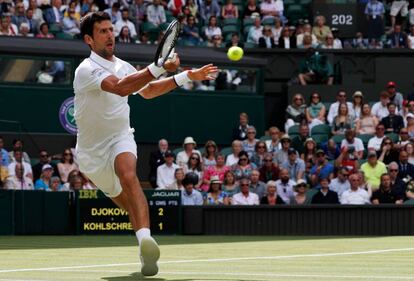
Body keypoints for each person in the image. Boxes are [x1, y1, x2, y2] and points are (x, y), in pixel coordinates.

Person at [74, 11, 217, 277]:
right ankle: (144, 246)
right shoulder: (85, 69)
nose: (109, 35)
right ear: (89, 40)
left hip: (120, 137)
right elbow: (119, 88)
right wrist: (158, 67)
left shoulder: (123, 65)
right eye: (102, 32)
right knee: (130, 204)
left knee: (129, 175)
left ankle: (145, 241)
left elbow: (149, 91)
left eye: (110, 30)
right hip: (91, 155)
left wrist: (186, 76)